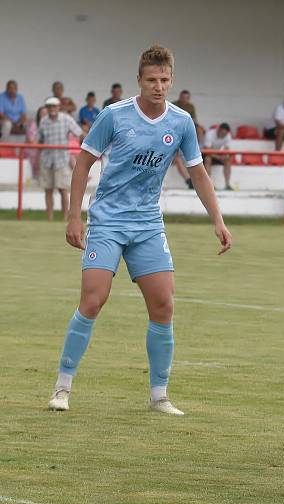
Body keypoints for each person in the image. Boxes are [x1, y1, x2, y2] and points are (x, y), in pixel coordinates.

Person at [46, 45, 232, 415]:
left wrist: (218, 220)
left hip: (147, 224)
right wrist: (73, 216)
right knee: (93, 300)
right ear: (139, 81)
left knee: (164, 305)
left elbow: (198, 173)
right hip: (108, 222)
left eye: (164, 80)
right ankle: (62, 388)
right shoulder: (114, 116)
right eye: (152, 80)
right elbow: (83, 165)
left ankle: (159, 396)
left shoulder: (180, 123)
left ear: (172, 80)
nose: (158, 86)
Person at [38, 97, 84, 221]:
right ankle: (50, 218)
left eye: (54, 106)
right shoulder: (43, 121)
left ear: (59, 107)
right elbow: (39, 139)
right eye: (49, 106)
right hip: (47, 159)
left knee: (63, 189)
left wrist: (84, 149)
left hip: (62, 159)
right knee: (48, 189)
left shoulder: (66, 119)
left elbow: (79, 133)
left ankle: (65, 218)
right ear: (47, 108)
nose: (52, 109)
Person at [203, 122, 234, 190]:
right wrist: (219, 157)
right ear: (218, 130)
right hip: (207, 154)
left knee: (228, 160)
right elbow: (206, 150)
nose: (223, 136)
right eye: (222, 134)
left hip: (218, 153)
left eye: (225, 134)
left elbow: (227, 149)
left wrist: (225, 156)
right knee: (207, 159)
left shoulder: (227, 135)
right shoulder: (210, 134)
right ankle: (209, 185)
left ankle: (227, 184)